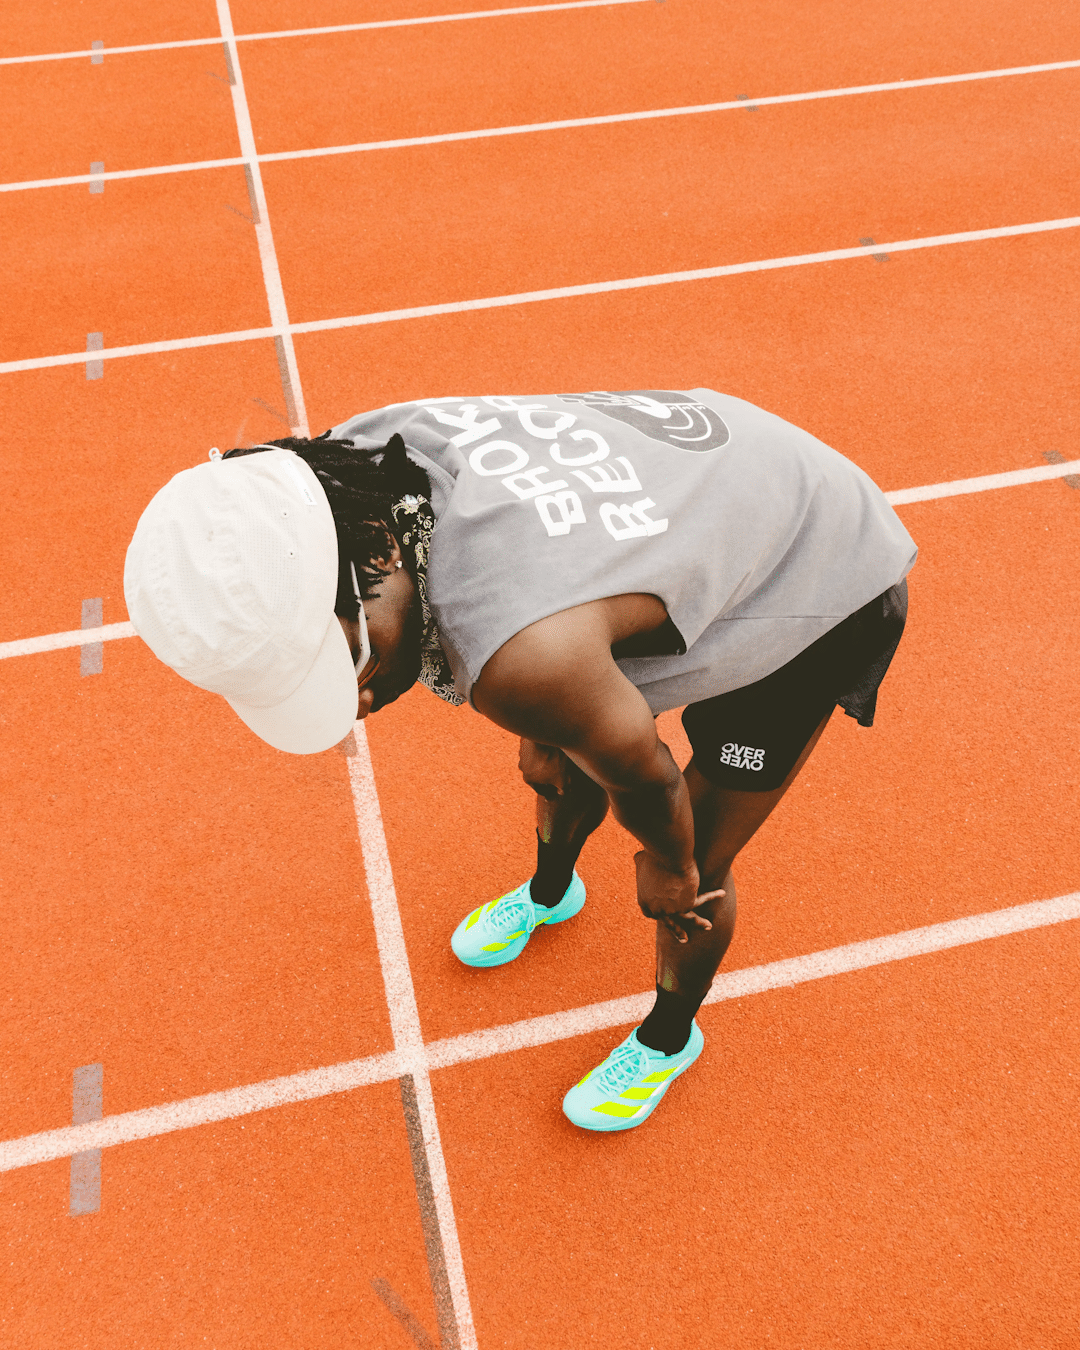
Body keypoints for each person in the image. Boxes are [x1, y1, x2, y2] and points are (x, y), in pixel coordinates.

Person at [125, 388, 916, 1132]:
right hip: (696, 495)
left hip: (816, 562)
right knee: (557, 758)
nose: (356, 706)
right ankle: (551, 891)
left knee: (698, 868)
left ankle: (669, 1039)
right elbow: (541, 581)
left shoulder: (524, 656)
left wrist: (666, 863)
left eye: (345, 664)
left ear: (375, 548)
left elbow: (646, 773)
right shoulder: (349, 473)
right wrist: (553, 724)